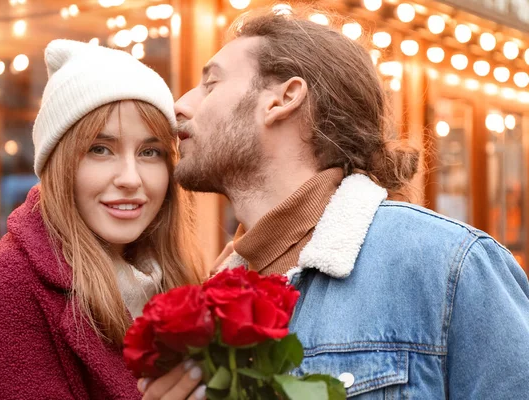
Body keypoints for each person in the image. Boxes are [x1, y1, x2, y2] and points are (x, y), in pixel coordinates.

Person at [139, 6, 529, 400]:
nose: (180, 106)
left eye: (210, 84)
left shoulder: (448, 264)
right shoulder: (217, 290)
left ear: (283, 98)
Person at [0, 39, 205, 399]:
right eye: (100, 150)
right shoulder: (9, 283)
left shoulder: (169, 273)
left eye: (149, 152)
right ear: (60, 166)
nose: (131, 178)